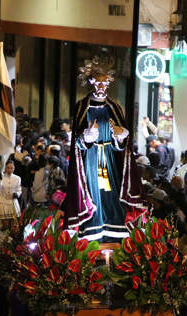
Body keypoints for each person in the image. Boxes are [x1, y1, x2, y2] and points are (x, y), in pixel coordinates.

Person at [65, 57, 144, 242]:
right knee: (93, 192)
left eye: (105, 82)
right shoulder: (82, 107)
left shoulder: (114, 107)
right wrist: (87, 136)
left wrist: (120, 136)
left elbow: (122, 148)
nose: (102, 86)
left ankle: (114, 226)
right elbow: (77, 143)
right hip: (91, 158)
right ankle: (93, 226)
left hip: (109, 158)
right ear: (92, 83)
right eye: (98, 82)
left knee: (111, 192)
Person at [0, 160, 22, 232]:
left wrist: (16, 194)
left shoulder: (17, 178)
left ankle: (10, 241)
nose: (9, 170)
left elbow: (19, 190)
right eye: (8, 168)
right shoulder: (2, 177)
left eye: (11, 168)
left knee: (13, 227)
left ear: (14, 168)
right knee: (5, 226)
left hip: (13, 203)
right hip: (3, 202)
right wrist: (0, 177)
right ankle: (3, 239)